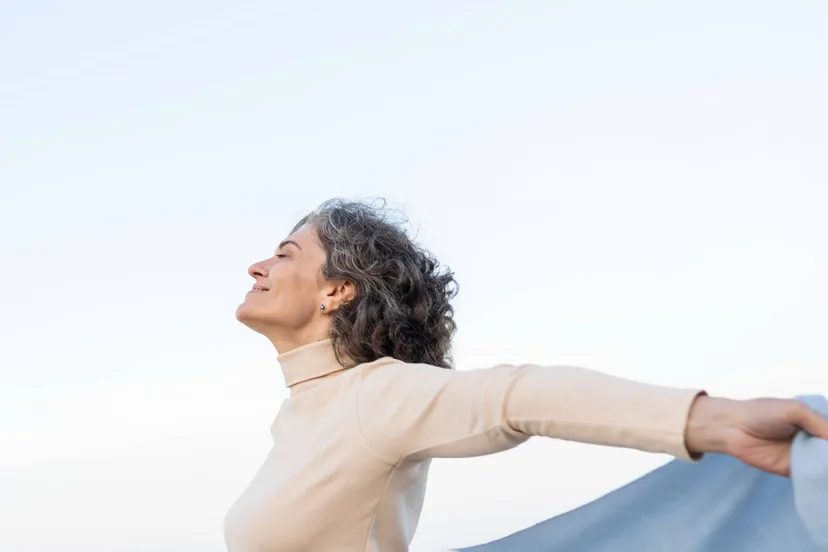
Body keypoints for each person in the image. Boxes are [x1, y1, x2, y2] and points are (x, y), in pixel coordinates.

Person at [223, 198, 828, 552]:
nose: (258, 264)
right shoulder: (302, 413)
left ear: (337, 290)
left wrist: (716, 421)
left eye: (284, 253)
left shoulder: (375, 394)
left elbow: (517, 395)